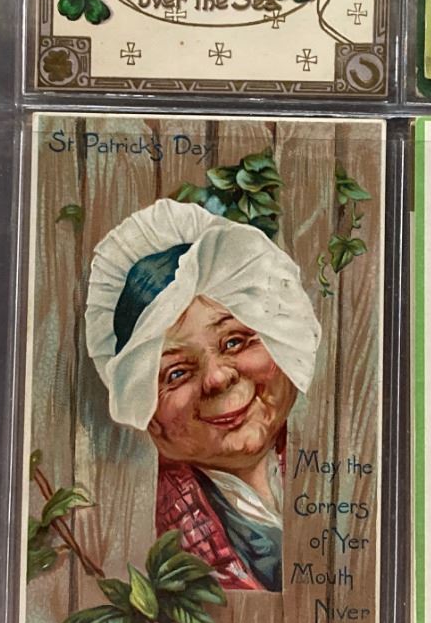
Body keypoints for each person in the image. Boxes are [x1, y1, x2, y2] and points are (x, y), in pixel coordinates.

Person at [84, 198, 321, 591]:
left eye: (235, 341)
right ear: (146, 409)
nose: (218, 378)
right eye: (176, 372)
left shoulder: (327, 466)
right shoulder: (156, 527)